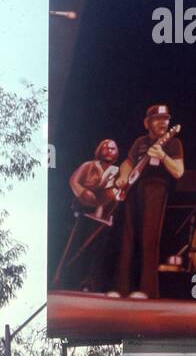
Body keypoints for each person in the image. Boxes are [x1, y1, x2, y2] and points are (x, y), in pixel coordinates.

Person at [114, 105, 183, 299]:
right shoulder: (140, 142)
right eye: (157, 118)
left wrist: (163, 156)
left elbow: (179, 171)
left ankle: (147, 290)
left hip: (156, 188)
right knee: (127, 239)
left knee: (149, 239)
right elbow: (128, 162)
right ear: (147, 122)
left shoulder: (174, 142)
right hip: (134, 189)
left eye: (166, 118)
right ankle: (122, 288)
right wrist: (123, 176)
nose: (163, 122)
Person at [55, 138, 120, 291]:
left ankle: (89, 283)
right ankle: (63, 281)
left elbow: (116, 193)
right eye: (105, 147)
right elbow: (74, 181)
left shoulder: (117, 172)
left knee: (96, 252)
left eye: (112, 148)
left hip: (102, 218)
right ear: (99, 150)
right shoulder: (88, 166)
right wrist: (85, 194)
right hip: (82, 213)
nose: (109, 150)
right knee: (74, 248)